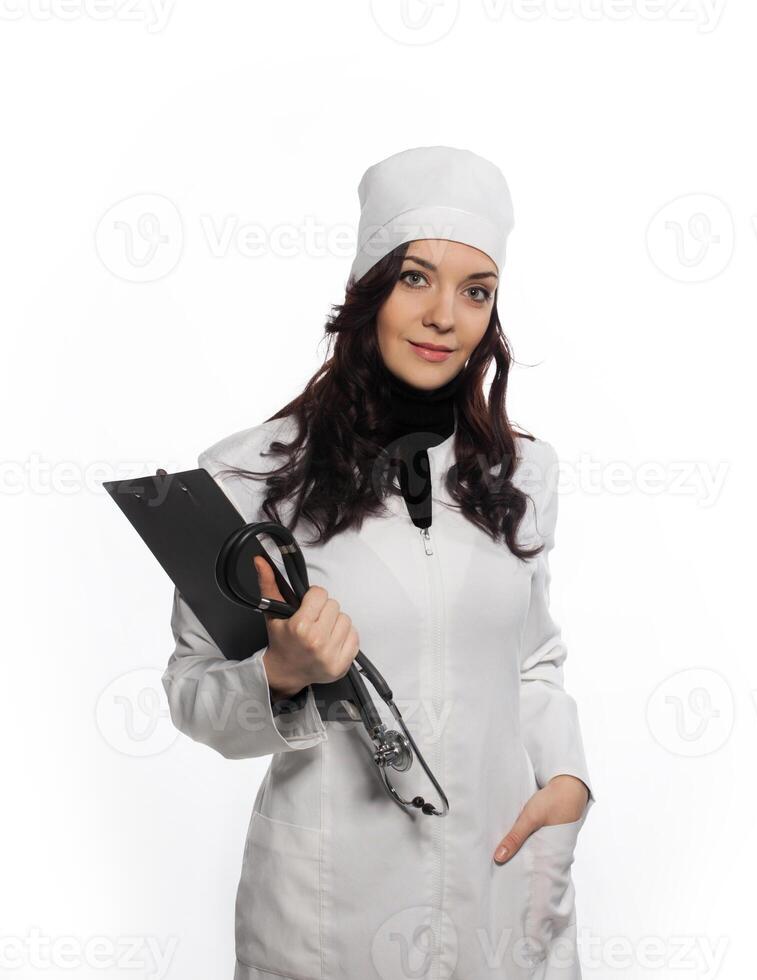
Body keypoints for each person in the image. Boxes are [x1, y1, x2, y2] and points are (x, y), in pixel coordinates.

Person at [162, 145, 595, 980]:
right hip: (328, 911)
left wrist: (569, 777)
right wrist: (279, 676)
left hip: (496, 885)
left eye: (477, 291)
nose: (446, 317)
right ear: (368, 288)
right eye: (416, 279)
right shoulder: (247, 480)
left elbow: (534, 662)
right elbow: (191, 693)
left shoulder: (523, 473)